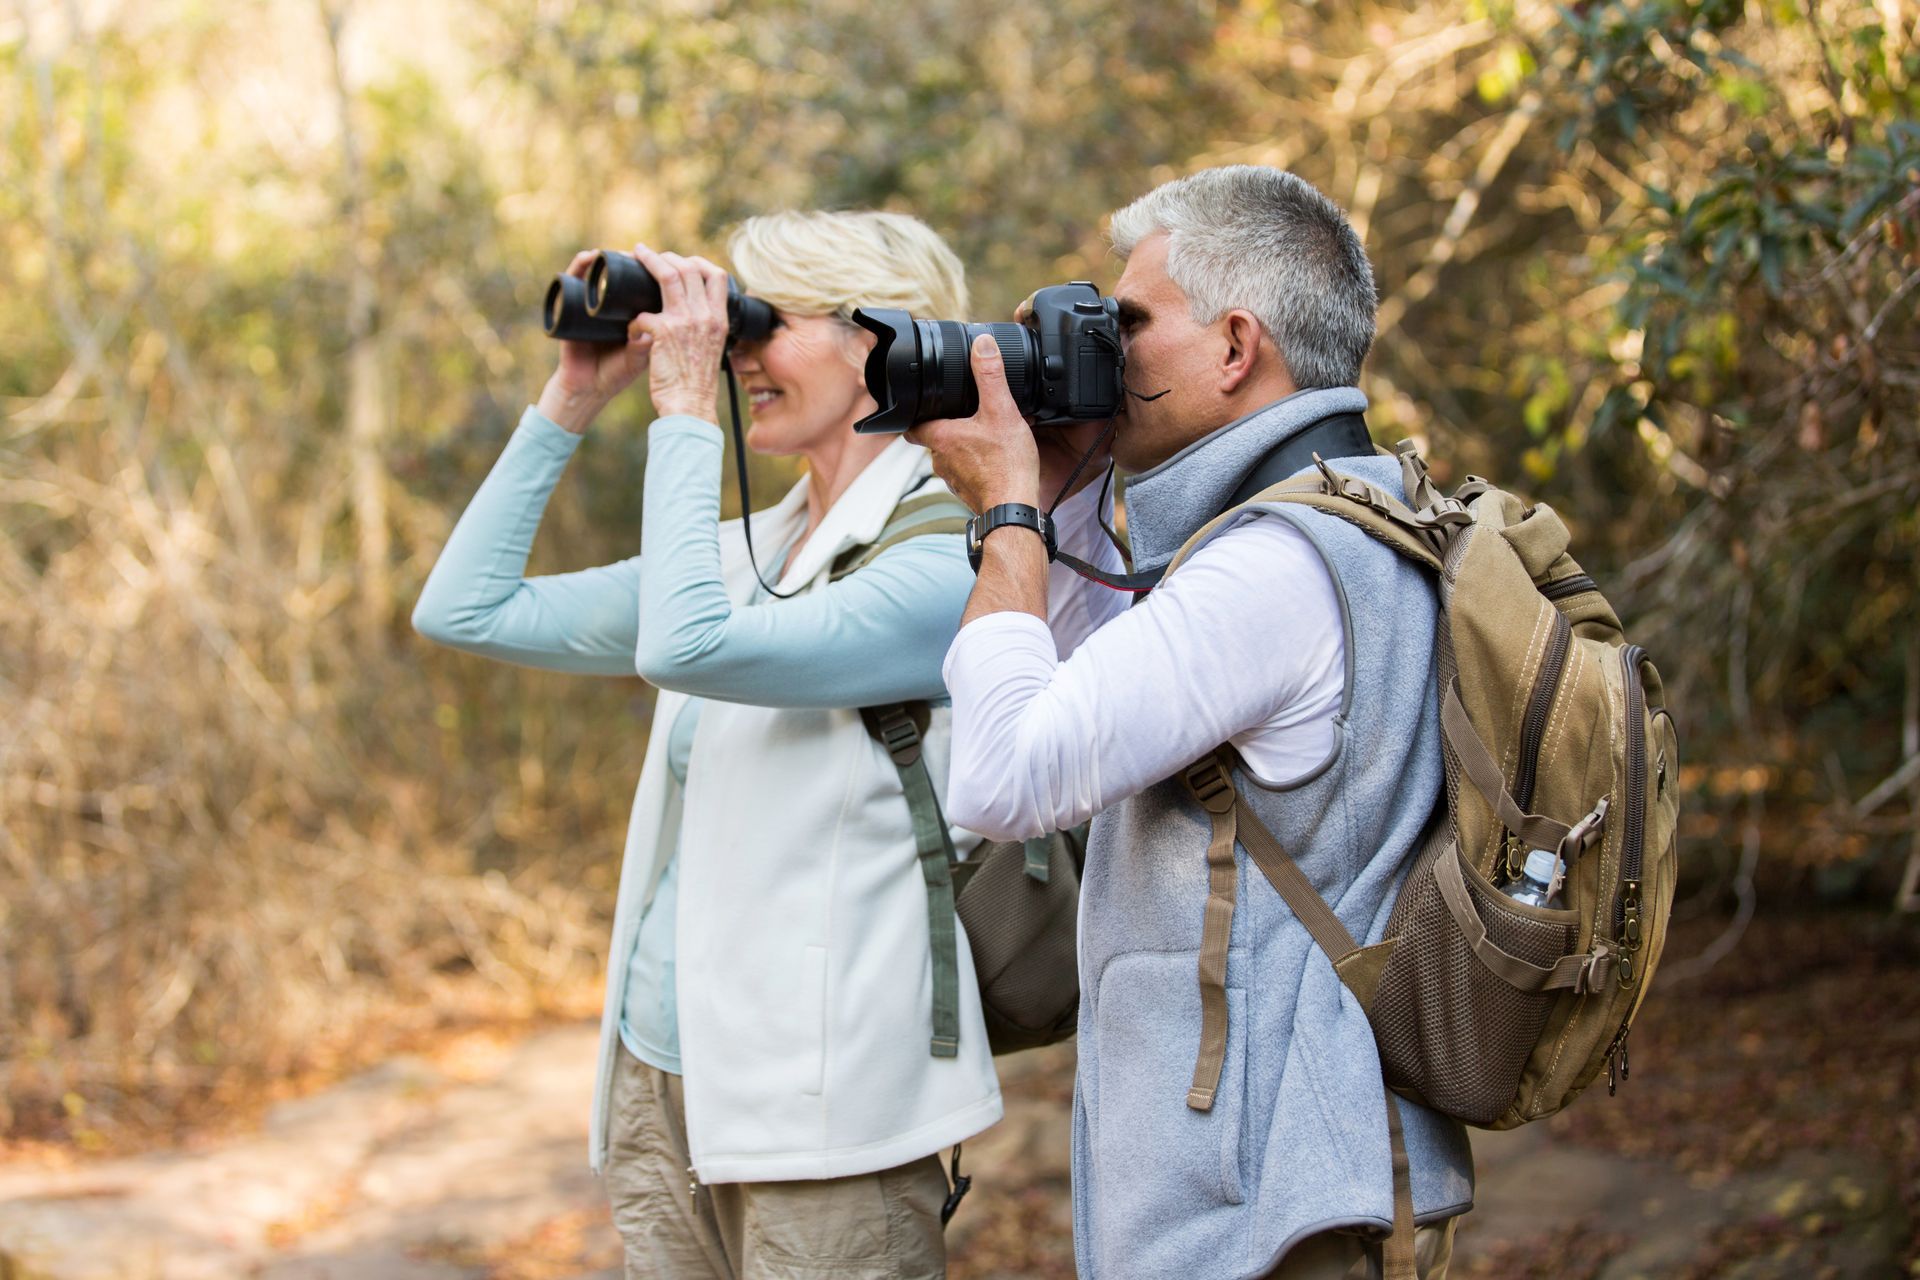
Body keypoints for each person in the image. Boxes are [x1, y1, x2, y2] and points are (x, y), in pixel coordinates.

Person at [908, 166, 1474, 1279]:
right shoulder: (1319, 520)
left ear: (1233, 346)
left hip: (1279, 1201)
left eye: (1129, 324)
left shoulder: (1275, 566)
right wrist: (1065, 493)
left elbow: (1002, 775)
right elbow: (1064, 697)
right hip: (1255, 1181)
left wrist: (1010, 514)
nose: (1104, 357)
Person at [413, 210, 999, 1280]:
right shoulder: (747, 548)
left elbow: (687, 645)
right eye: (733, 322)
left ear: (885, 337)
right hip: (665, 1078)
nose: (736, 350)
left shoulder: (949, 553)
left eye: (764, 321)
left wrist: (683, 408)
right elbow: (465, 609)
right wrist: (573, 398)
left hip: (826, 1117)